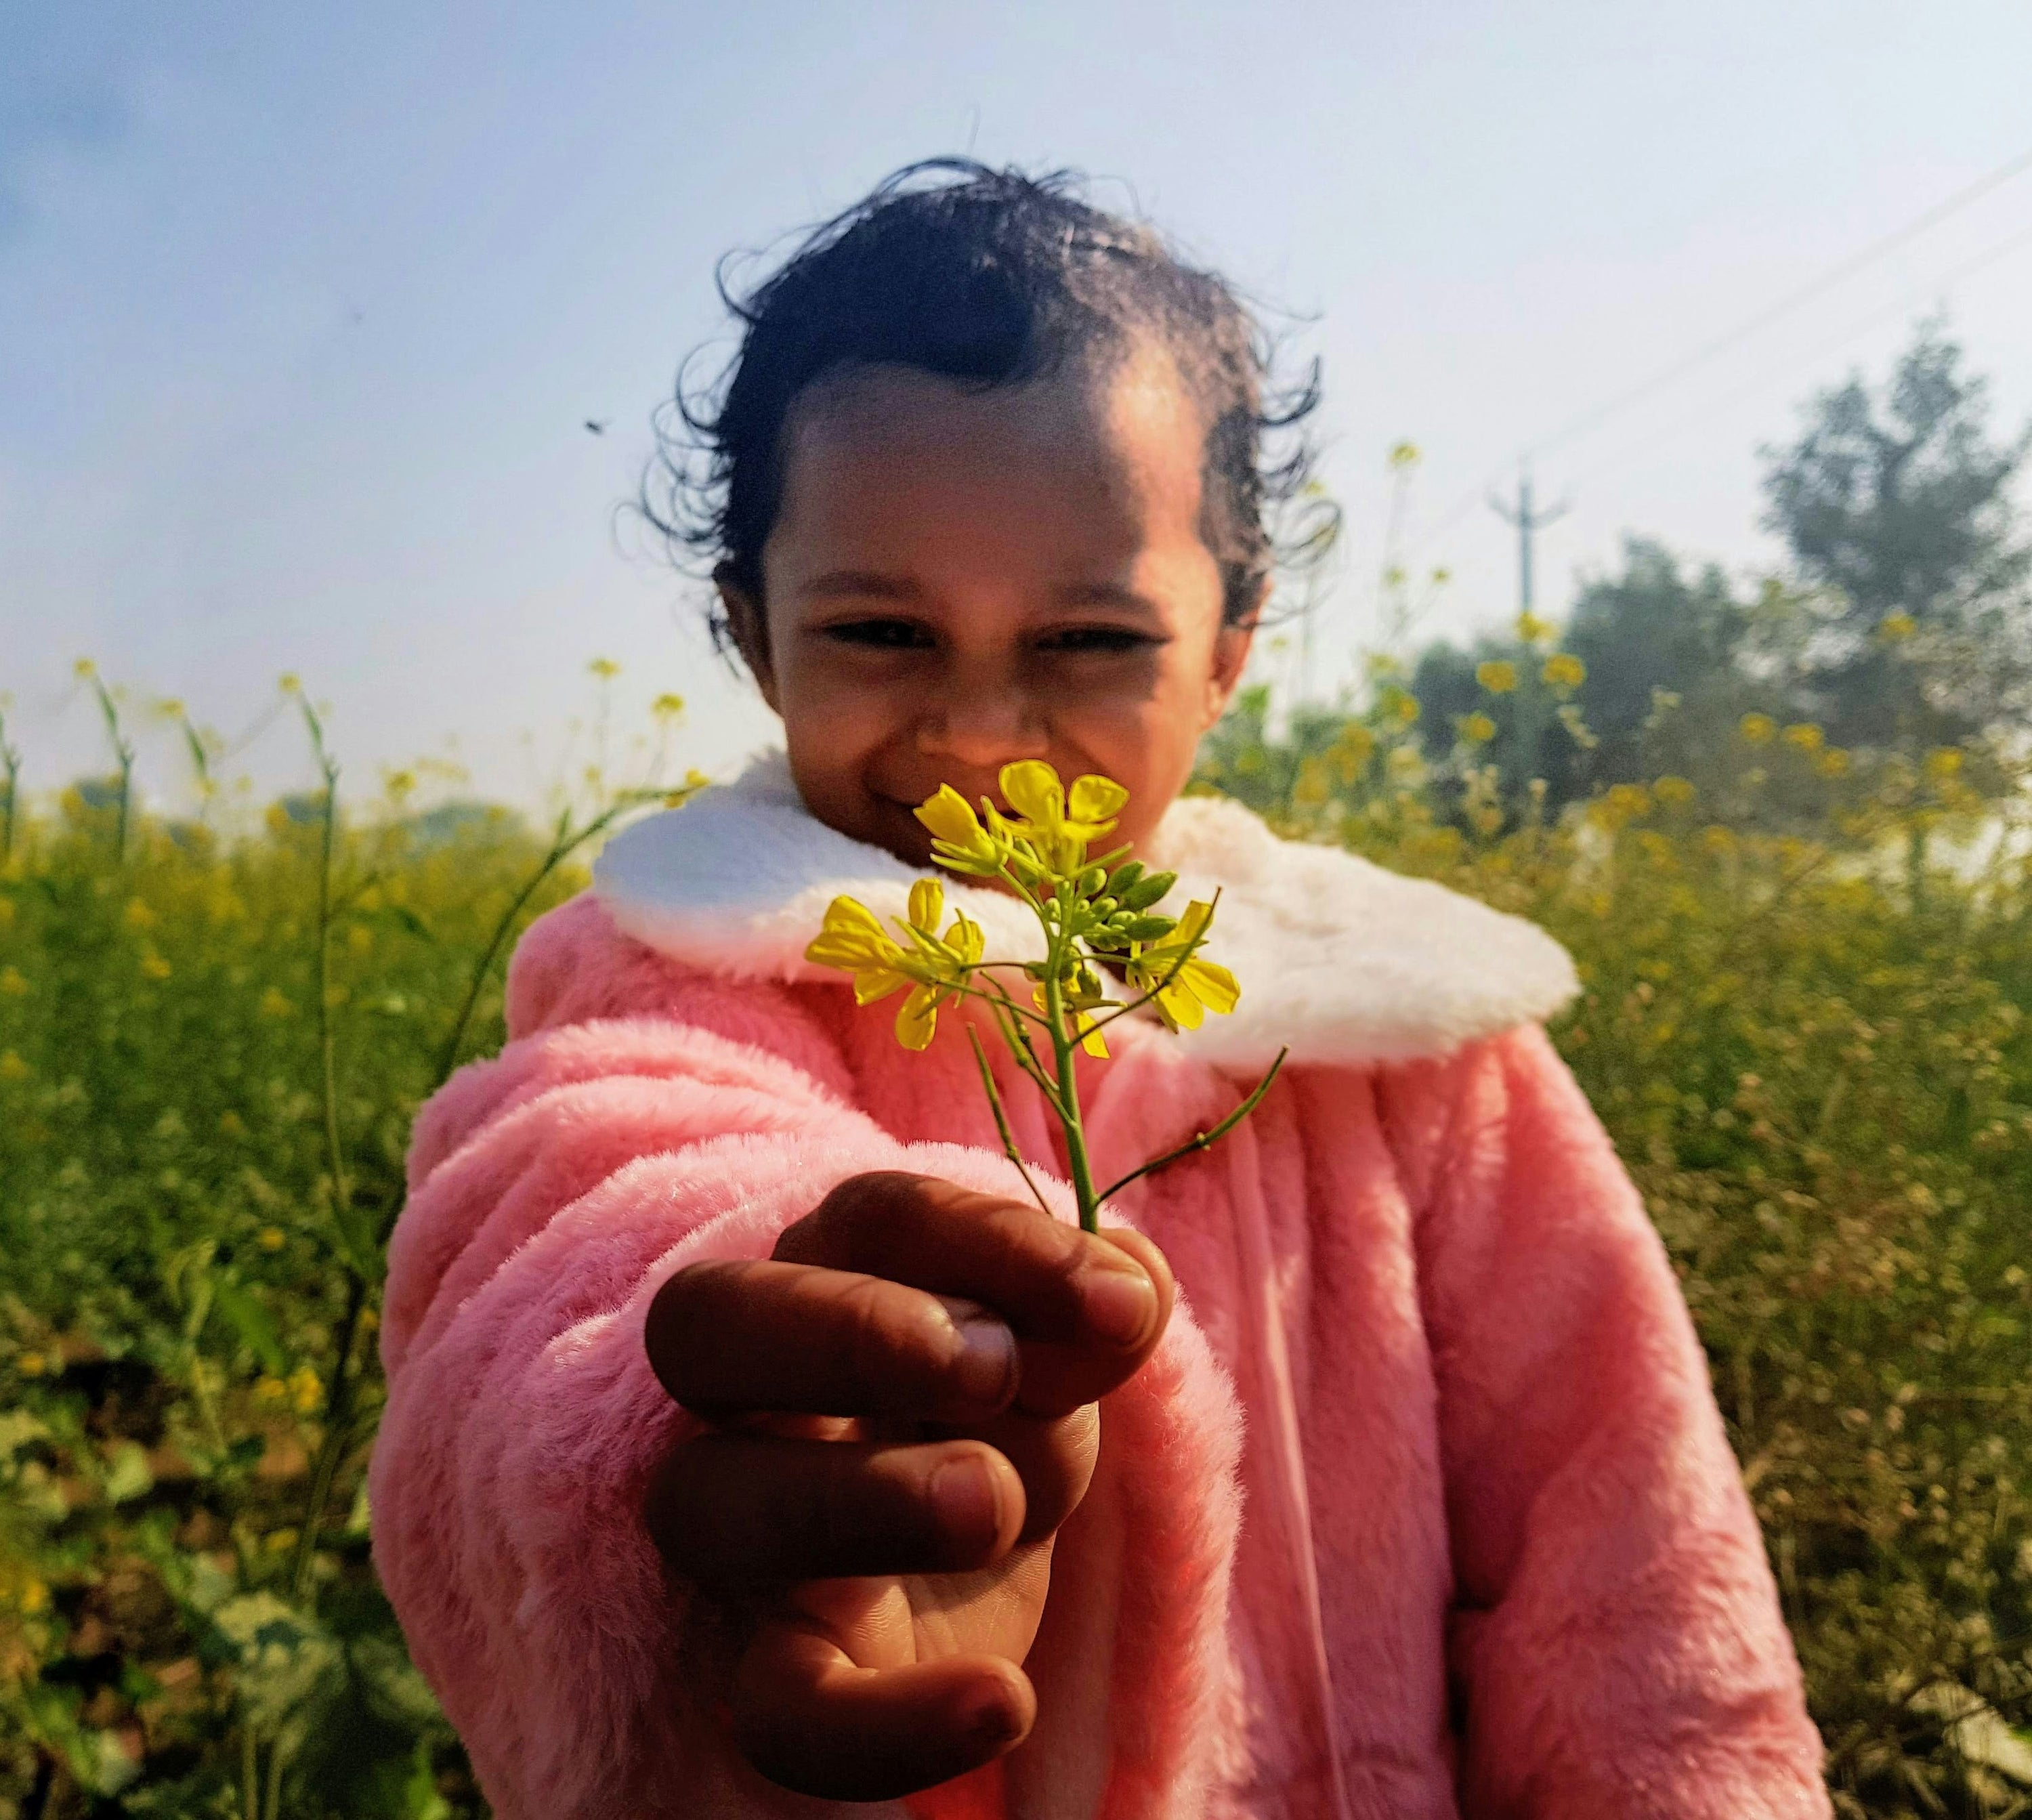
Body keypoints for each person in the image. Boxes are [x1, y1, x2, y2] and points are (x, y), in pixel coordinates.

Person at [369, 161, 1829, 1819]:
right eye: (882, 633)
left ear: (1230, 647)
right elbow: (567, 1202)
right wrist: (725, 1357)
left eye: (1086, 643)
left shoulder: (1406, 1030)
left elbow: (1636, 1563)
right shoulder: (672, 965)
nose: (983, 740)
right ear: (755, 636)